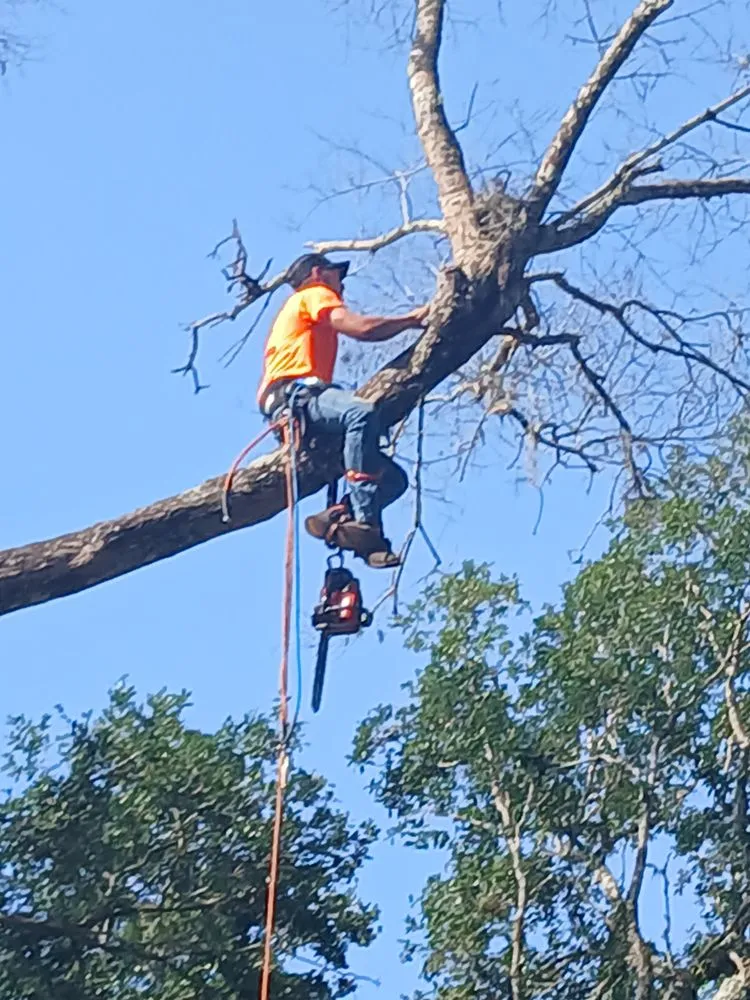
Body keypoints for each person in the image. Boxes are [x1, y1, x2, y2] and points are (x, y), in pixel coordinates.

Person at [257, 252, 428, 568]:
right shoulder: (313, 295)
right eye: (338, 275)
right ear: (319, 273)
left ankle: (339, 519)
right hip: (297, 397)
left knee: (394, 481)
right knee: (359, 413)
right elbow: (361, 328)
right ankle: (366, 523)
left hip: (301, 401)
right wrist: (410, 320)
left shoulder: (301, 306)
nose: (342, 284)